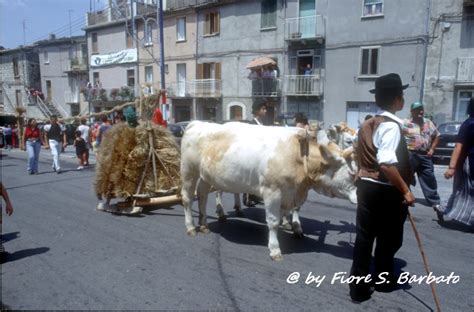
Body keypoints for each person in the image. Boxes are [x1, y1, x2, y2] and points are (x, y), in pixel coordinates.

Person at [349, 73, 415, 303]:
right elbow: (386, 163)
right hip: (385, 190)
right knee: (390, 238)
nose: (403, 99)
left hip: (365, 186)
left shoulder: (367, 123)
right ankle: (384, 282)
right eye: (402, 95)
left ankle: (357, 289)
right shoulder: (391, 126)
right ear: (397, 99)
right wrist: (405, 190)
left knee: (364, 238)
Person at [439, 97, 474, 226]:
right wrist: (451, 168)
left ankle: (442, 208)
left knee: (464, 192)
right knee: (465, 191)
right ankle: (444, 209)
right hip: (469, 164)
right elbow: (458, 146)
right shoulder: (469, 123)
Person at [403, 102, 441, 212]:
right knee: (406, 176)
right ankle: (405, 196)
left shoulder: (428, 122)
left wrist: (432, 149)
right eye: (418, 109)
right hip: (410, 154)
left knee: (429, 177)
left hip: (425, 155)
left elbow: (437, 136)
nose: (421, 111)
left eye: (422, 109)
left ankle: (434, 201)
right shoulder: (405, 123)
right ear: (412, 111)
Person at [243, 101, 268, 207]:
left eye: (265, 109)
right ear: (257, 111)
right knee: (250, 175)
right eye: (263, 109)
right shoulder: (251, 124)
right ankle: (246, 197)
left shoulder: (264, 123)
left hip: (261, 153)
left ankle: (255, 195)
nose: (265, 111)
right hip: (252, 152)